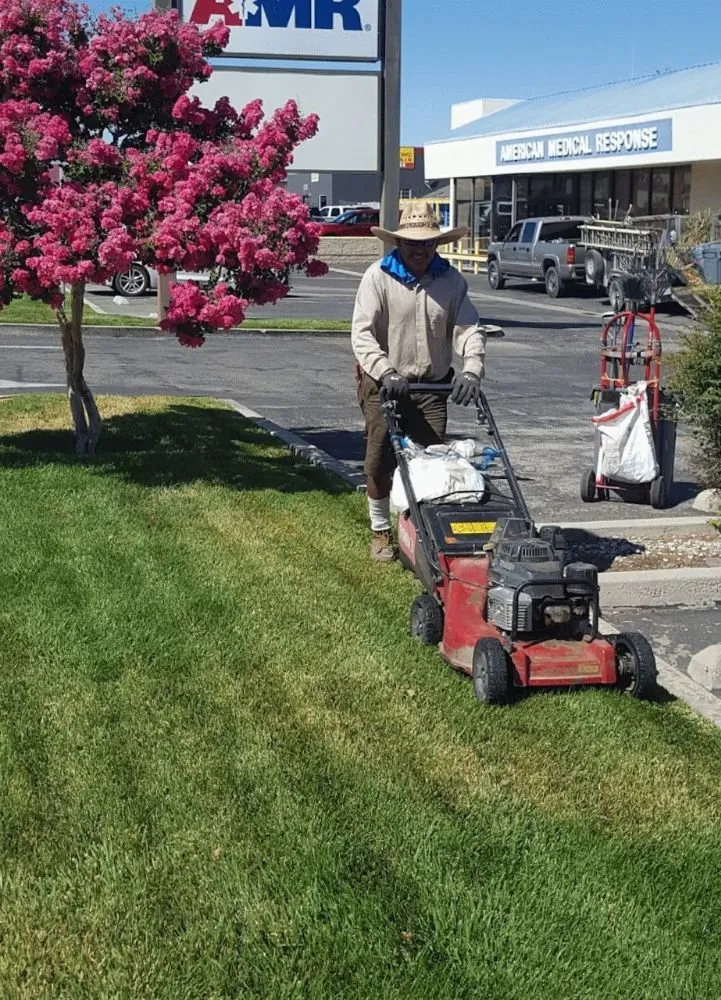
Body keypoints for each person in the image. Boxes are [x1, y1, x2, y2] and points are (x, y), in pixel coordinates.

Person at [351, 201, 488, 562]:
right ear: (398, 243)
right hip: (384, 383)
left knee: (430, 460)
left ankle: (421, 532)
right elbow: (362, 335)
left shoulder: (451, 281)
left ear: (437, 245)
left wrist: (472, 368)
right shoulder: (377, 277)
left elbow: (468, 328)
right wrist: (385, 371)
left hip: (432, 386)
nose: (419, 250)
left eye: (427, 243)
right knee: (380, 457)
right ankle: (381, 530)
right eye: (412, 243)